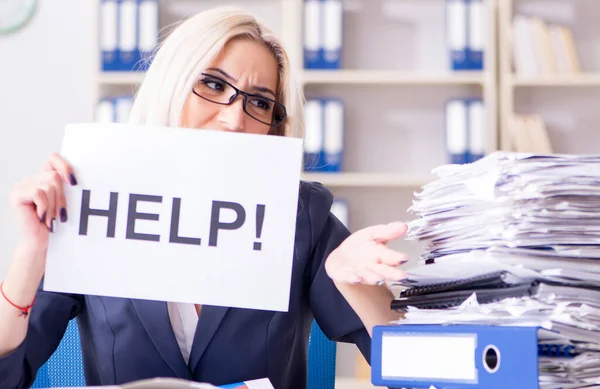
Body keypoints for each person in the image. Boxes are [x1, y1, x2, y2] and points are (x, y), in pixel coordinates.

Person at [0, 6, 408, 389]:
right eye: (213, 84)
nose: (234, 119)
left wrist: (356, 285)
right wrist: (31, 257)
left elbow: (417, 370)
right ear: (172, 86)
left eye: (260, 102)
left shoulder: (300, 215)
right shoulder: (95, 202)